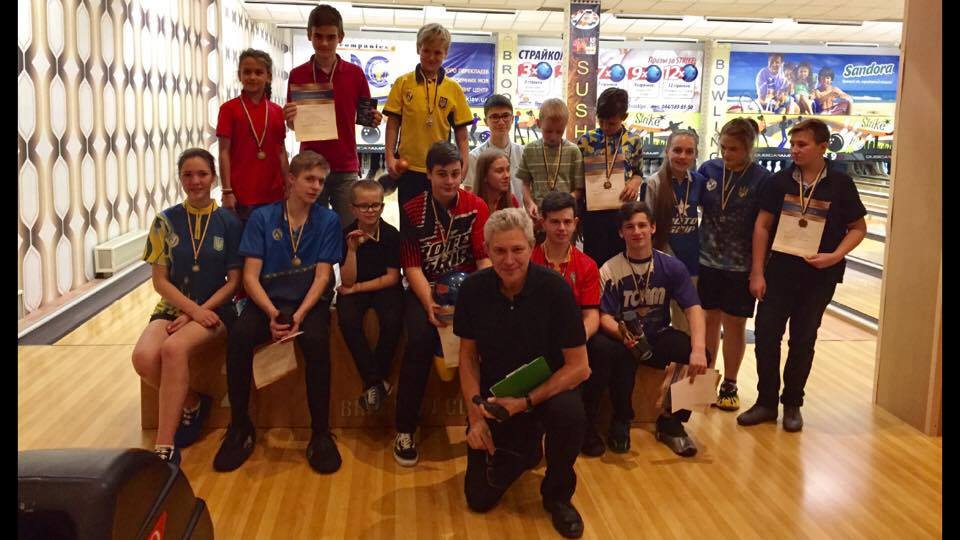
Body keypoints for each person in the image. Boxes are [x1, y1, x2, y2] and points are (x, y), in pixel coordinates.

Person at [456, 208, 590, 539]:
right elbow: (468, 358)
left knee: (570, 413)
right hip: (498, 398)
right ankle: (528, 448)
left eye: (517, 249)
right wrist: (475, 418)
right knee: (479, 499)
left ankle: (558, 495)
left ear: (531, 247)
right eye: (499, 250)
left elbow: (579, 366)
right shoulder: (472, 289)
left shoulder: (556, 289)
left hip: (548, 391)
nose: (509, 260)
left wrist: (525, 402)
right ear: (487, 250)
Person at [213, 151, 344, 474]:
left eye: (321, 181)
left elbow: (323, 277)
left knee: (316, 341)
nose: (316, 187)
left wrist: (298, 315)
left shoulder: (328, 220)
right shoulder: (262, 218)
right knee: (239, 337)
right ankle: (240, 427)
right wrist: (272, 313)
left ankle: (320, 433)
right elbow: (249, 277)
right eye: (309, 179)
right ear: (291, 180)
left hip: (308, 304)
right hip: (267, 302)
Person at [738, 119, 866, 432]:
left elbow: (858, 228)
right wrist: (757, 272)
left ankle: (793, 403)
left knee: (803, 340)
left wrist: (835, 255)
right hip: (778, 273)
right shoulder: (778, 181)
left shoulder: (841, 184)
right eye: (793, 144)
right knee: (766, 337)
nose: (794, 150)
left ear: (823, 147)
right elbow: (762, 226)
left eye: (802, 145)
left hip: (819, 277)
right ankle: (766, 402)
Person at [132, 148, 243, 465]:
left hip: (216, 308)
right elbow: (160, 281)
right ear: (180, 179)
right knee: (143, 358)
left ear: (214, 178)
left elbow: (234, 282)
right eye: (188, 175)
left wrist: (198, 312)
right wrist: (189, 312)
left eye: (202, 174)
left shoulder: (229, 222)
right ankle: (193, 402)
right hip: (174, 307)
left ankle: (164, 446)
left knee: (173, 349)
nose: (195, 181)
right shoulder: (165, 221)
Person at [394, 141, 492, 466]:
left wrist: (479, 305)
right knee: (419, 342)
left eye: (454, 173)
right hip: (426, 288)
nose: (449, 181)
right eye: (442, 174)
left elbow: (483, 261)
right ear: (429, 175)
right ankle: (405, 429)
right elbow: (412, 267)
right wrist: (430, 305)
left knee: (487, 343)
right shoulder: (412, 209)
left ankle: (481, 421)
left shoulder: (476, 206)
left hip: (469, 292)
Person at [589, 201, 711, 456]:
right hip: (624, 338)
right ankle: (621, 420)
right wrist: (622, 334)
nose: (637, 232)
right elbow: (603, 316)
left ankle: (672, 421)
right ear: (621, 232)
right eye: (629, 227)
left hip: (657, 335)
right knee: (619, 354)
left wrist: (699, 349)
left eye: (642, 225)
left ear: (653, 228)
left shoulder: (672, 266)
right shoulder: (609, 270)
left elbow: (693, 308)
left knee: (700, 355)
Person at [696, 118, 771, 412]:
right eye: (723, 147)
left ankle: (729, 383)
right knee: (709, 320)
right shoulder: (709, 170)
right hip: (707, 260)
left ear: (749, 148)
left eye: (734, 149)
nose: (726, 154)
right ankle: (706, 380)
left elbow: (763, 227)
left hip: (741, 265)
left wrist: (758, 270)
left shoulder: (761, 179)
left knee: (735, 324)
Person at [284, 5, 381, 227]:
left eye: (331, 37)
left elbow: (366, 116)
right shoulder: (298, 74)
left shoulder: (355, 74)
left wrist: (373, 119)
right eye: (318, 36)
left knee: (349, 231)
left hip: (345, 166)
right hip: (310, 167)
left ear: (341, 37)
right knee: (311, 231)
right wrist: (290, 120)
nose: (325, 43)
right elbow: (293, 125)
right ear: (309, 35)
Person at [530, 192, 605, 457]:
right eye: (554, 222)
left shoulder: (587, 265)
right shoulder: (528, 259)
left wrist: (575, 339)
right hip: (536, 337)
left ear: (576, 223)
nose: (561, 228)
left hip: (573, 338)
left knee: (602, 351)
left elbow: (592, 315)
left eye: (567, 222)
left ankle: (588, 426)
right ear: (543, 223)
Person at [384, 23, 473, 207]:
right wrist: (389, 157)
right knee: (409, 220)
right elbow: (392, 124)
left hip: (441, 170)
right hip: (408, 168)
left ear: (446, 53)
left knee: (439, 220)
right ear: (418, 49)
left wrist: (464, 164)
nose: (431, 57)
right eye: (426, 51)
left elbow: (462, 134)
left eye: (438, 52)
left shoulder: (454, 89)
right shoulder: (403, 83)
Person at [336, 180, 404, 413]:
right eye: (364, 206)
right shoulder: (346, 235)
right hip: (357, 286)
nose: (370, 210)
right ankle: (376, 381)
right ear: (353, 208)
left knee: (393, 320)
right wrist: (352, 251)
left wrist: (357, 289)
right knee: (347, 319)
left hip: (384, 287)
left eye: (375, 205)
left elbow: (392, 278)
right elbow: (347, 281)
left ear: (383, 207)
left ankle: (374, 382)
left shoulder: (391, 234)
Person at [640, 129, 706, 332]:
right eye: (677, 150)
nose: (683, 156)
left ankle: (683, 354)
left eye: (689, 151)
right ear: (667, 151)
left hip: (691, 261)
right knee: (654, 323)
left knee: (685, 325)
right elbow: (646, 226)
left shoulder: (699, 182)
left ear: (695, 154)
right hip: (661, 261)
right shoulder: (653, 183)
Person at [217, 49, 288, 222]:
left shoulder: (277, 111)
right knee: (241, 239)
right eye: (247, 72)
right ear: (239, 75)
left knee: (272, 239)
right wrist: (227, 191)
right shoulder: (228, 109)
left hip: (273, 193)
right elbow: (224, 152)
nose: (252, 77)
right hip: (241, 194)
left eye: (258, 72)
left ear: (268, 76)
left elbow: (281, 152)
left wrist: (288, 185)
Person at [576, 88, 644, 268]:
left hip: (622, 212)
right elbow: (579, 180)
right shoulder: (586, 141)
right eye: (601, 121)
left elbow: (638, 172)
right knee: (594, 263)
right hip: (593, 213)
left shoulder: (633, 141)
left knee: (622, 262)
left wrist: (635, 182)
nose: (606, 127)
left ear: (624, 117)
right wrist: (578, 216)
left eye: (612, 123)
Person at [516, 99, 585, 223]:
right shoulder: (529, 150)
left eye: (559, 131)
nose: (553, 136)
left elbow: (579, 189)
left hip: (564, 219)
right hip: (538, 217)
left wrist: (562, 204)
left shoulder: (573, 151)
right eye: (548, 131)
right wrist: (530, 203)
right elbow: (525, 185)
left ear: (565, 126)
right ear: (538, 123)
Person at [465, 94, 524, 204]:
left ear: (512, 119)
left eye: (505, 116)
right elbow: (470, 195)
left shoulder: (523, 153)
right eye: (495, 117)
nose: (501, 122)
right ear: (485, 121)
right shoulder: (474, 156)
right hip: (487, 213)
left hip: (518, 213)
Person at [473, 148, 520, 213]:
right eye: (499, 171)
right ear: (484, 175)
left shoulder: (512, 200)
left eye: (508, 169)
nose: (507, 175)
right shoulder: (471, 204)